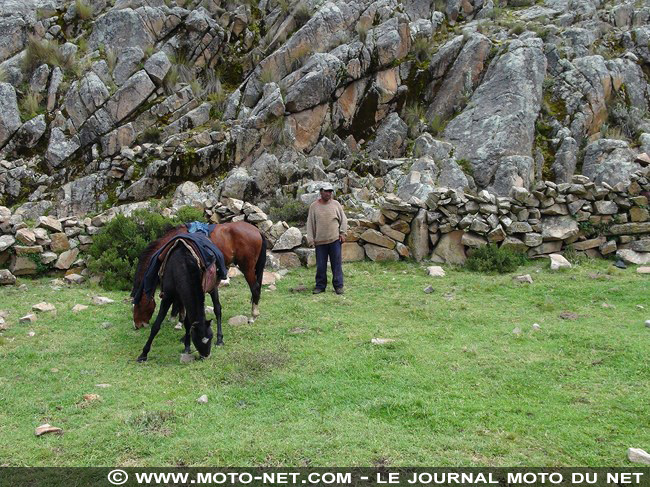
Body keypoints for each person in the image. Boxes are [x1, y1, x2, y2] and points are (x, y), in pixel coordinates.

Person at [306, 182, 348, 295]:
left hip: (334, 240)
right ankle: (320, 286)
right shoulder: (314, 206)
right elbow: (310, 224)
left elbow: (344, 220)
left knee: (337, 264)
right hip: (320, 242)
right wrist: (311, 239)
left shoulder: (336, 205)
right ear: (321, 192)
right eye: (326, 191)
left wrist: (343, 233)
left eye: (330, 191)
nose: (329, 193)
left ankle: (338, 286)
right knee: (321, 265)